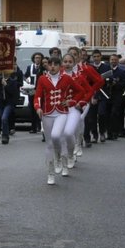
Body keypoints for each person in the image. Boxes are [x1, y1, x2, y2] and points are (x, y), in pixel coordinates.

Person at [33, 53, 75, 185]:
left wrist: (71, 102)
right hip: (47, 113)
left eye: (55, 65)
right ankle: (50, 173)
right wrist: (37, 107)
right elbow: (37, 96)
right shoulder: (42, 79)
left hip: (62, 112)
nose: (52, 67)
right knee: (49, 144)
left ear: (60, 66)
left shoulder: (67, 78)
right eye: (50, 64)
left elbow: (80, 91)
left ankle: (59, 158)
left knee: (57, 136)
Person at [0, 65, 22, 143]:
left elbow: (13, 92)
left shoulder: (13, 82)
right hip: (0, 102)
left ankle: (5, 136)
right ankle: (5, 133)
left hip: (8, 103)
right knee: (2, 120)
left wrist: (6, 85)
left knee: (4, 118)